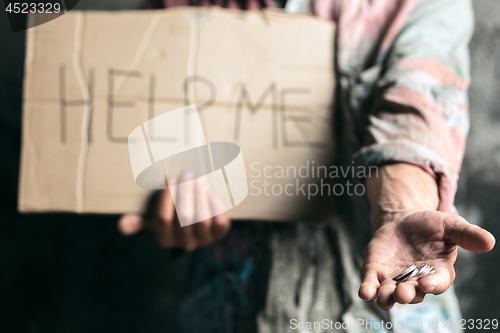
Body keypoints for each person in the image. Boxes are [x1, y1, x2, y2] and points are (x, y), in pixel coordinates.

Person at [118, 0, 496, 332]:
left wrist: (401, 208)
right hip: (228, 305)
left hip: (377, 313)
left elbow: (412, 113)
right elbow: (153, 132)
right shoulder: (176, 9)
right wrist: (172, 205)